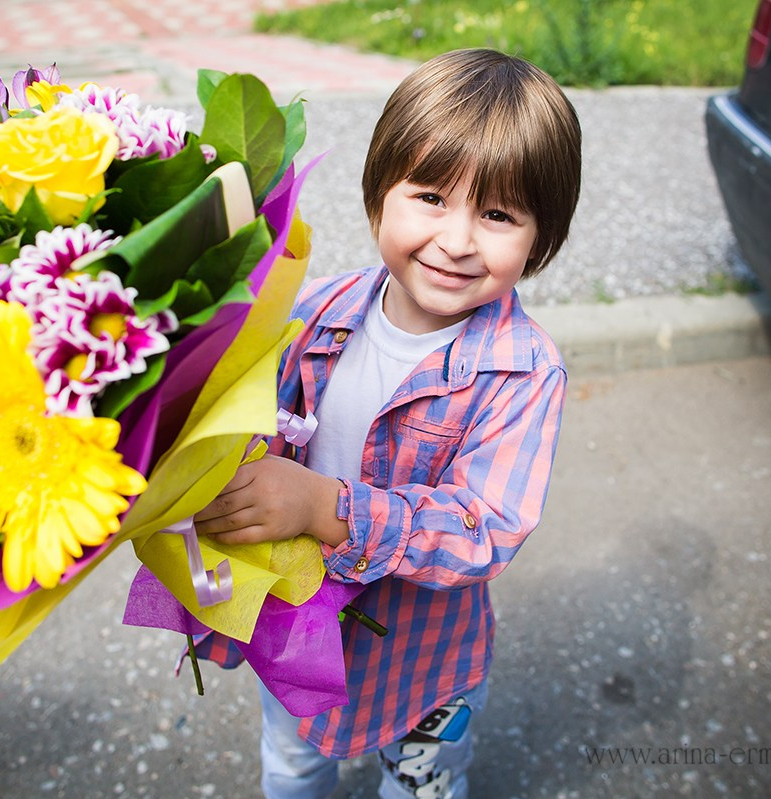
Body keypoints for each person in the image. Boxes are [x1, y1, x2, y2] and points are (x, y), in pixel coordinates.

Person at [192, 48, 581, 798]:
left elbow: (482, 526)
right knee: (294, 762)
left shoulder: (524, 371)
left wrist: (326, 506)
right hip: (300, 631)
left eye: (498, 214)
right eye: (431, 197)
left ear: (541, 237)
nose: (459, 238)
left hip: (425, 663)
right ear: (378, 196)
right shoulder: (316, 310)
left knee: (422, 785)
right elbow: (247, 423)